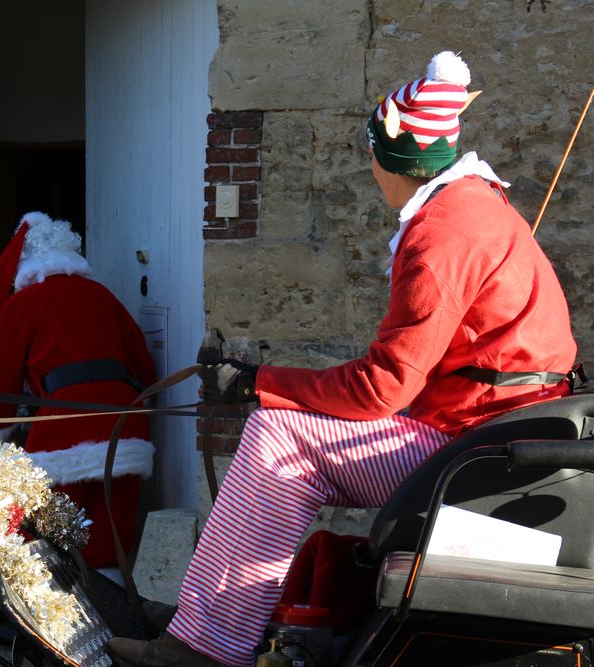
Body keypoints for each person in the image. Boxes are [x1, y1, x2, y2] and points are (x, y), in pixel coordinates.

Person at [107, 51, 578, 666]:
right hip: (492, 434)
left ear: (391, 159)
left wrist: (256, 384)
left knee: (280, 436)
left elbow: (381, 388)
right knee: (288, 426)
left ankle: (203, 648)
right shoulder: (475, 204)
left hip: (478, 453)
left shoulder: (443, 232)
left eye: (372, 154)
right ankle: (208, 618)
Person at [0, 211, 158, 572]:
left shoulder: (23, 304)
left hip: (62, 428)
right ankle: (111, 604)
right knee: (110, 541)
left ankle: (61, 605)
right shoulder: (103, 296)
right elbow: (145, 368)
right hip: (123, 428)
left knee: (50, 542)